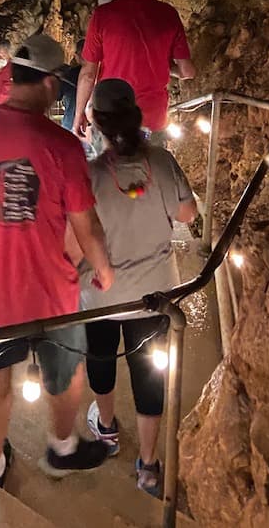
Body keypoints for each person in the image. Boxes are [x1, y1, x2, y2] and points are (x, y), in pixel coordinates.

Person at [0, 33, 115, 487]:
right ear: (52, 83)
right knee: (66, 374)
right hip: (50, 294)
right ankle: (62, 448)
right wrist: (105, 270)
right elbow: (86, 226)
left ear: (12, 75)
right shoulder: (63, 147)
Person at [72, 78, 196, 497]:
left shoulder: (88, 176)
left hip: (102, 298)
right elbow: (188, 214)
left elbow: (74, 244)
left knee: (102, 361)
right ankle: (148, 464)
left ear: (96, 124)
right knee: (148, 377)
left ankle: (106, 430)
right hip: (156, 296)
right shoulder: (161, 163)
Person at [74, 0, 193, 145]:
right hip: (153, 118)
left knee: (110, 170)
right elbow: (187, 71)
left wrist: (79, 113)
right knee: (149, 170)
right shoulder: (168, 14)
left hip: (111, 115)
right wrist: (164, 65)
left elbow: (88, 73)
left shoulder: (103, 15)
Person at [57, 39, 86, 132]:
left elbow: (57, 95)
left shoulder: (70, 74)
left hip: (71, 123)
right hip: (94, 127)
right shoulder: (102, 72)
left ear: (78, 55)